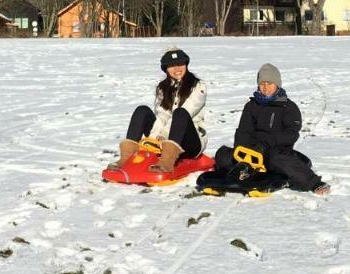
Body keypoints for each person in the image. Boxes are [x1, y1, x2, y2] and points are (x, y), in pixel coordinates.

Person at [218, 63, 329, 195]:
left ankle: (314, 183)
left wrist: (267, 143)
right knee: (223, 155)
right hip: (251, 151)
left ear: (277, 85)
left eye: (269, 84)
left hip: (276, 150)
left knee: (277, 159)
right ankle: (235, 174)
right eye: (262, 84)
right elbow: (244, 130)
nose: (265, 88)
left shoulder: (288, 107)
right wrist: (242, 151)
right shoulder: (251, 105)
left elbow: (291, 134)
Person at [109, 48, 208, 173]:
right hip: (164, 140)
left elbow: (187, 111)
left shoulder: (198, 86)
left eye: (180, 64)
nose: (177, 69)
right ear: (165, 69)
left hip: (190, 142)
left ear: (186, 65)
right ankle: (127, 157)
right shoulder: (163, 88)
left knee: (180, 112)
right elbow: (162, 116)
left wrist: (163, 136)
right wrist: (153, 139)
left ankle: (167, 162)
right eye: (172, 66)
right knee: (142, 110)